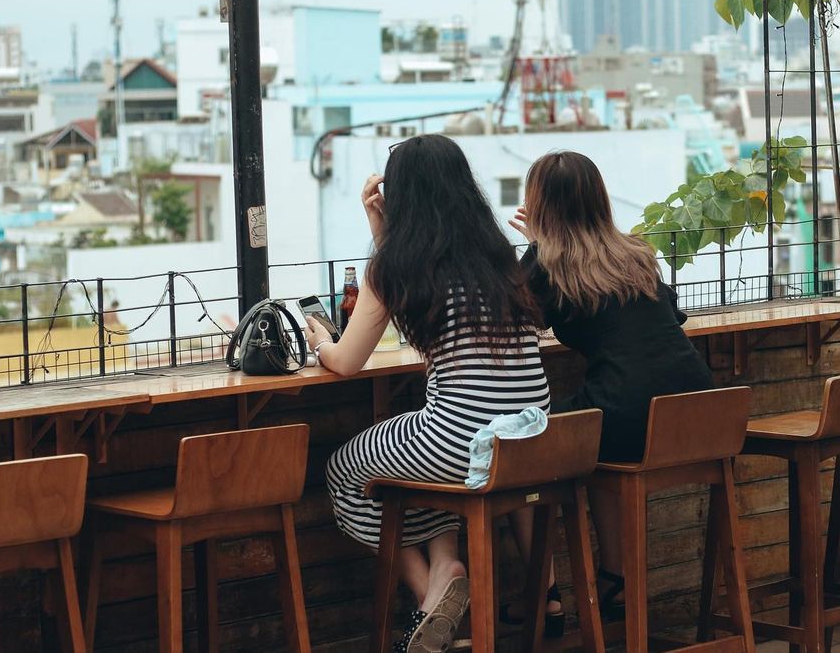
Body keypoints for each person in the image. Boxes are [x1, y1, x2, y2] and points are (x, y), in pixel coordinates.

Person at [304, 134, 550, 653]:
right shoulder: (499, 256)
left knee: (344, 471)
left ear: (400, 198)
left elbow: (347, 362)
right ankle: (444, 565)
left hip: (461, 442)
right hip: (532, 440)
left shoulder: (395, 265)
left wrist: (320, 339)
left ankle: (429, 595)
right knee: (427, 454)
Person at [508, 150, 714, 621]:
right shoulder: (636, 253)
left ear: (537, 206)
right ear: (599, 198)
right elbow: (666, 318)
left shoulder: (549, 264)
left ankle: (544, 596)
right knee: (603, 458)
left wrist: (536, 249)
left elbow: (512, 318)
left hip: (626, 412)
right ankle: (614, 582)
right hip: (699, 407)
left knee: (520, 441)